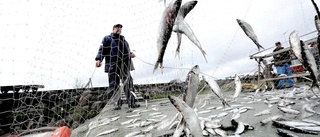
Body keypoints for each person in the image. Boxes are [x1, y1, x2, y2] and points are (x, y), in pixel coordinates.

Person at [95, 24, 140, 110]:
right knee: (114, 85)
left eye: (120, 28)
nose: (119, 29)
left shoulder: (123, 40)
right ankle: (117, 103)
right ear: (113, 29)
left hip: (124, 65)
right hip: (112, 65)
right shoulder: (107, 39)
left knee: (128, 82)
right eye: (117, 28)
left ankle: (132, 102)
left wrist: (131, 54)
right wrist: (98, 59)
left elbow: (126, 51)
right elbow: (101, 50)